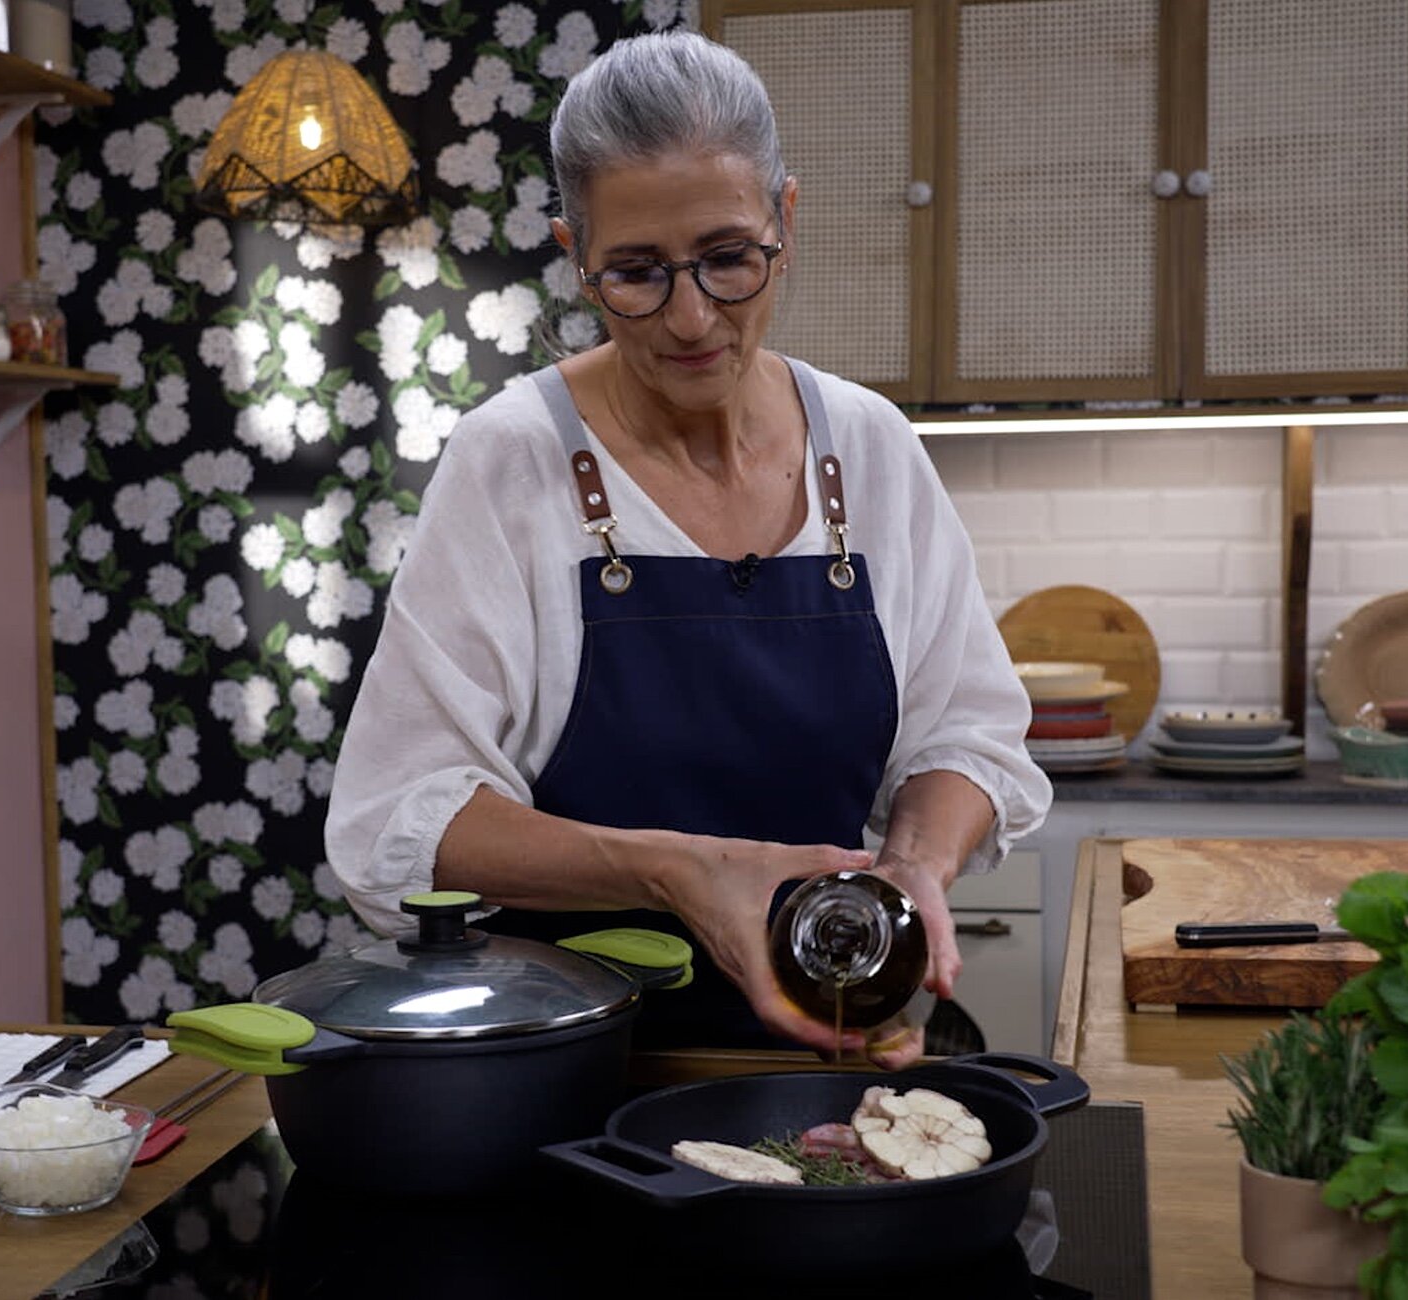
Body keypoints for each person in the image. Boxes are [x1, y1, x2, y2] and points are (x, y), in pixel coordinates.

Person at [324, 30, 1050, 1067]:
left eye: (726, 258)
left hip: (822, 1057)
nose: (689, 317)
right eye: (635, 272)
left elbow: (967, 739)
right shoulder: (513, 461)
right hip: (556, 1079)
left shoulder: (869, 448)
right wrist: (679, 870)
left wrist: (912, 866)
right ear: (575, 254)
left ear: (783, 220)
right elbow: (395, 824)